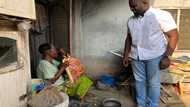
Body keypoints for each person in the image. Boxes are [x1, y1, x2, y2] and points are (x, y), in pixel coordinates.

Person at [123, 0, 178, 107]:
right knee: (139, 82)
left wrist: (167, 56)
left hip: (154, 56)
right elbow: (128, 38)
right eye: (130, 6)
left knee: (153, 83)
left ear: (145, 2)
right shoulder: (130, 20)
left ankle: (152, 105)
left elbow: (174, 35)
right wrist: (126, 55)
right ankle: (141, 104)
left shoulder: (161, 15)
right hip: (136, 56)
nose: (131, 9)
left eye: (134, 6)